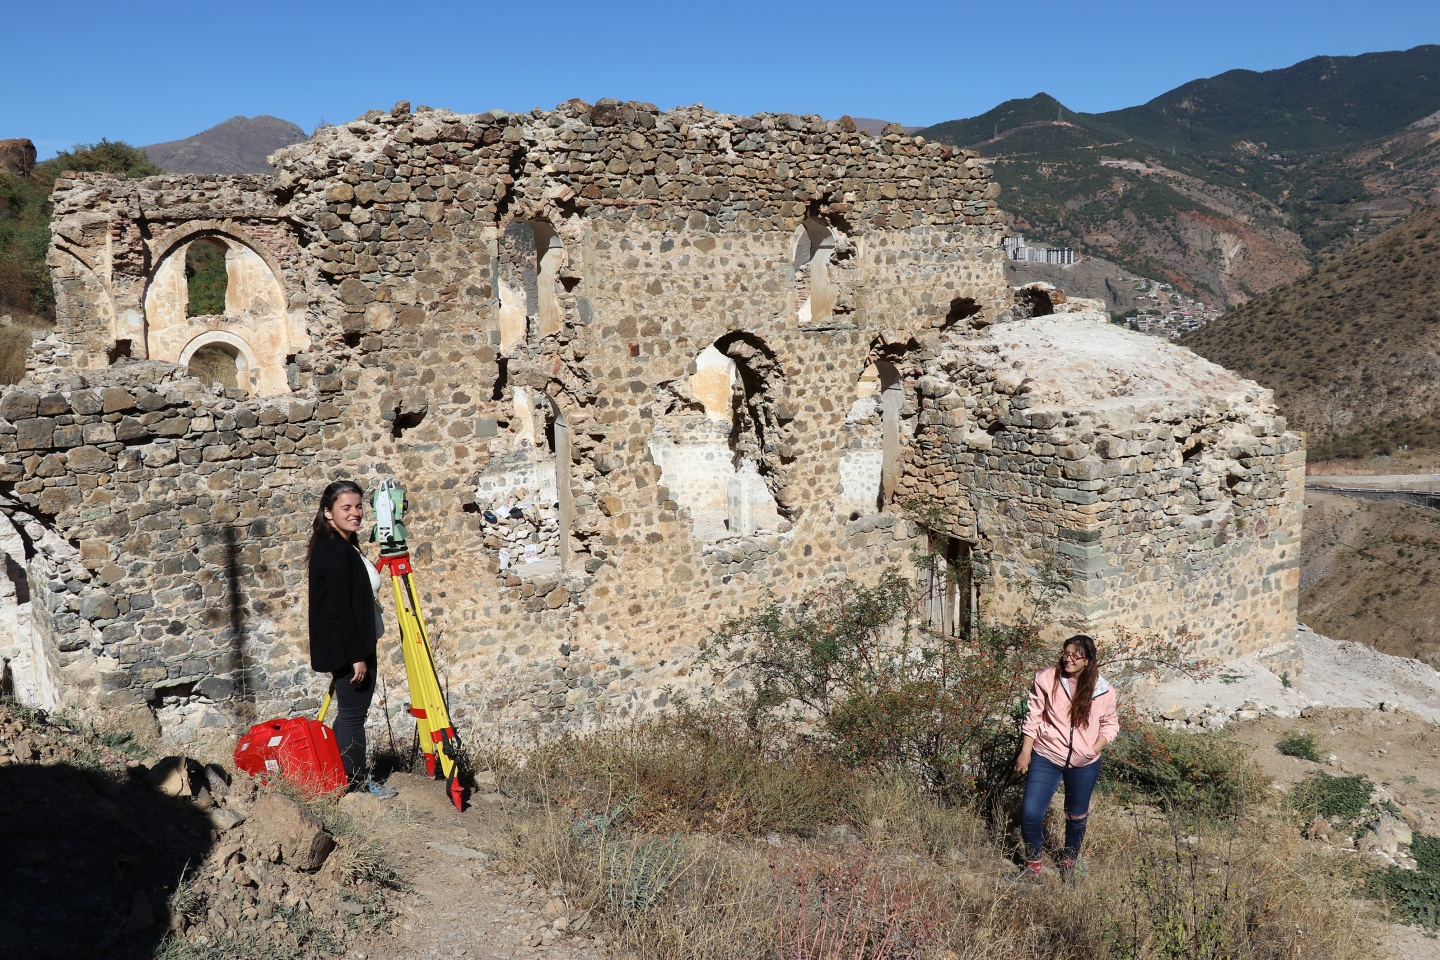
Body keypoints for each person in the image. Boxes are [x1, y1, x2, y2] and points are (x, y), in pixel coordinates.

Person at [307, 479, 395, 798]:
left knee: (350, 714)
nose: (355, 512)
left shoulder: (342, 543)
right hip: (349, 649)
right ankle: (355, 786)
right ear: (328, 513)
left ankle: (337, 774)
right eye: (346, 507)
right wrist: (356, 654)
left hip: (355, 644)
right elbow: (339, 608)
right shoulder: (334, 550)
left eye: (358, 506)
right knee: (353, 715)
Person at [1012, 634, 1118, 883]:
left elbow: (1110, 724)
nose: (1068, 659)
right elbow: (1034, 716)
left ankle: (1069, 865)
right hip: (1047, 755)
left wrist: (1094, 748)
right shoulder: (1046, 678)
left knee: (1076, 815)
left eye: (1075, 655)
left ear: (1088, 660)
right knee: (1030, 813)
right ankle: (1033, 869)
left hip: (1084, 763)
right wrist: (1026, 751)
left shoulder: (1103, 690)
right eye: (1065, 653)